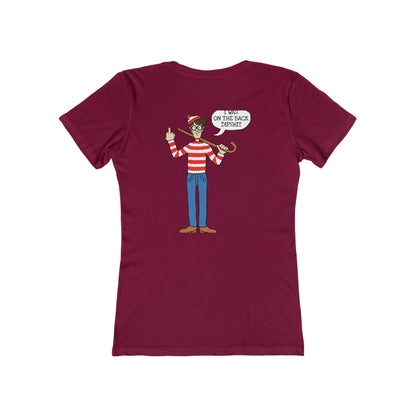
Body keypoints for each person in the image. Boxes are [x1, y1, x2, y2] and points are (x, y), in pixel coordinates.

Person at [165, 114, 228, 233]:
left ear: (203, 129)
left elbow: (216, 161)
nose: (197, 131)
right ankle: (193, 226)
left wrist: (221, 153)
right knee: (191, 201)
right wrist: (171, 141)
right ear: (190, 130)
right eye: (194, 128)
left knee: (203, 201)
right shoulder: (190, 146)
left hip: (202, 176)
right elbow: (176, 154)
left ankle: (203, 226)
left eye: (199, 128)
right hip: (191, 176)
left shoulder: (206, 146)